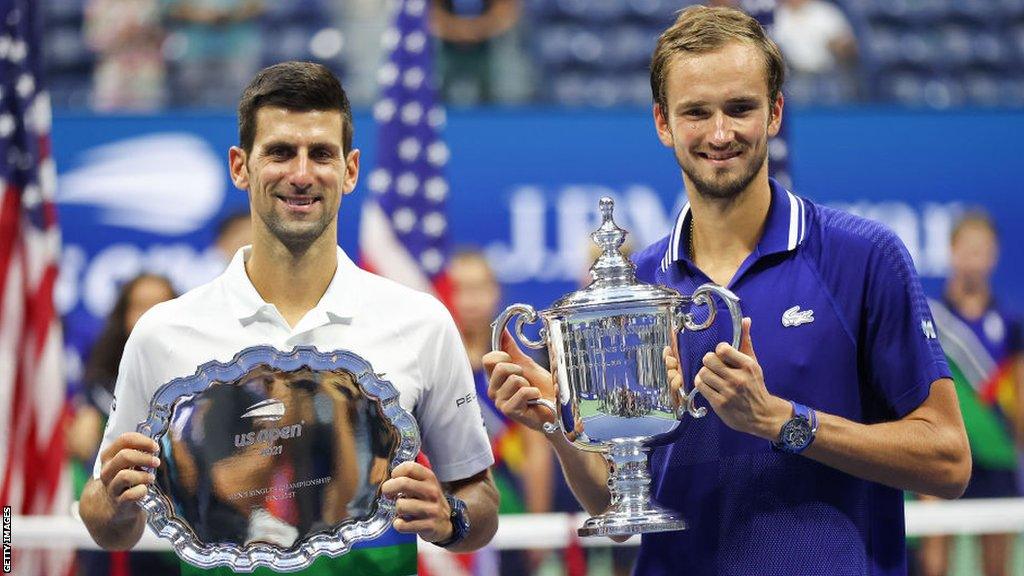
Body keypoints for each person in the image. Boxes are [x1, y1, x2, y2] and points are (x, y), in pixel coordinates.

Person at [484, 6, 970, 576]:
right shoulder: (634, 288)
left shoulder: (863, 256)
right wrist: (558, 425)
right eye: (697, 112)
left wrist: (781, 421)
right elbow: (619, 508)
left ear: (775, 113)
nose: (720, 133)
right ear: (663, 123)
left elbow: (948, 459)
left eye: (741, 108)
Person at [79, 61, 499, 574]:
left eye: (320, 153)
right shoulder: (163, 333)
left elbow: (480, 500)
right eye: (279, 152)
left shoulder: (421, 322)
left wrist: (450, 518)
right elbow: (109, 525)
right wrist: (114, 500)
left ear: (350, 170)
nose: (301, 175)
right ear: (240, 167)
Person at [917, 212, 1023, 576]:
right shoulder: (928, 317)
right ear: (952, 252)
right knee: (935, 563)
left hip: (997, 457)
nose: (975, 259)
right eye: (968, 250)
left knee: (998, 567)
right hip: (945, 453)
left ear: (994, 256)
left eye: (983, 251)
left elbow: (1020, 400)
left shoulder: (1010, 324)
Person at [447, 249, 552, 574]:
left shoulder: (513, 367)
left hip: (511, 507)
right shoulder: (438, 368)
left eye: (479, 288)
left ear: (496, 293)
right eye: (459, 289)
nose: (470, 300)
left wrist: (539, 522)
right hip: (452, 513)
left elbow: (537, 448)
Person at [68, 274, 177, 576]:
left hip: (176, 535)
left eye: (161, 305)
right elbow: (81, 453)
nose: (150, 316)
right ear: (123, 315)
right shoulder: (97, 387)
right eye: (139, 306)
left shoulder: (202, 383)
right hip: (113, 535)